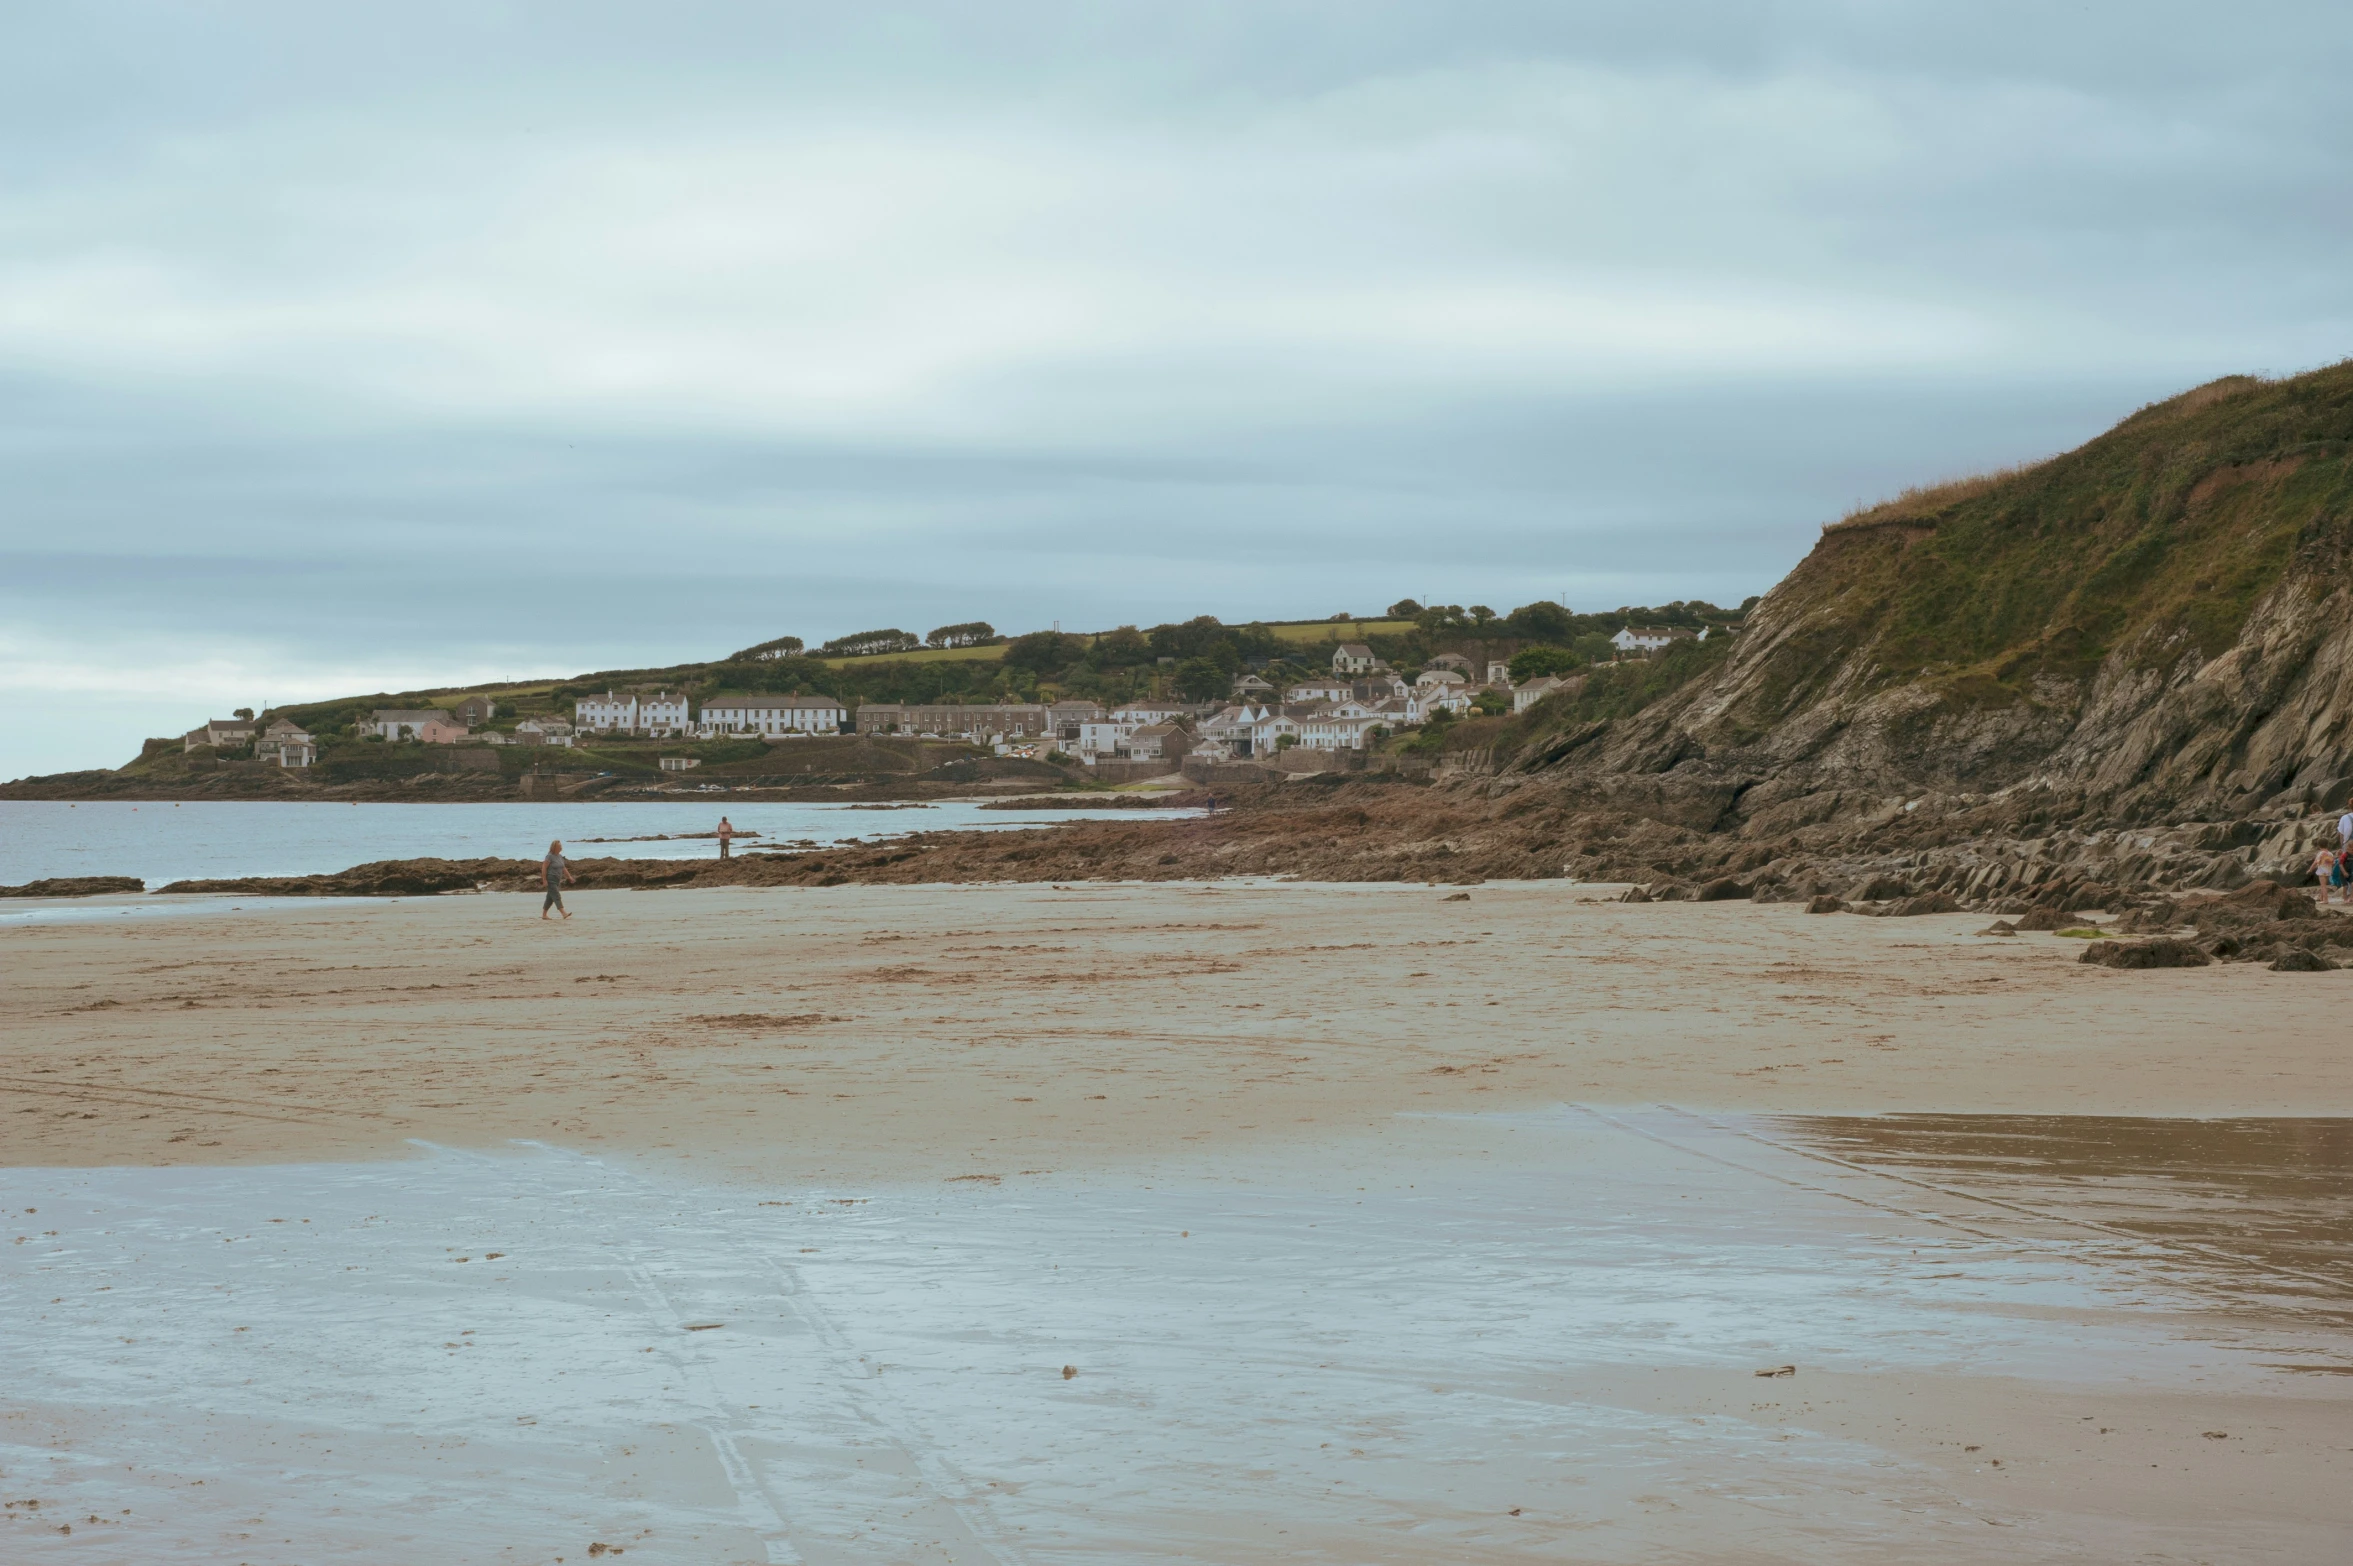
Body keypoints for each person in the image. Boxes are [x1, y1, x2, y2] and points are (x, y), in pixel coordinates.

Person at [541, 838, 574, 920]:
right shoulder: (549, 856)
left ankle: (544, 915)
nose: (561, 848)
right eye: (559, 846)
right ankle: (564, 913)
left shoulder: (560, 856)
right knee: (556, 896)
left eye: (561, 846)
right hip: (550, 879)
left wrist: (569, 877)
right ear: (554, 847)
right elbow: (544, 868)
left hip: (557, 880)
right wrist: (544, 880)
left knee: (550, 898)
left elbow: (563, 868)